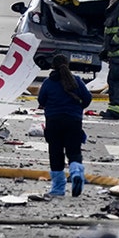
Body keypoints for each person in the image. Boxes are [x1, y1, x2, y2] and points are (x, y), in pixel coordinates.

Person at [37, 54, 92, 197]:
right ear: (68, 65)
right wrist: (77, 107)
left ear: (52, 66)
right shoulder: (77, 81)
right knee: (74, 151)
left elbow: (41, 100)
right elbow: (87, 99)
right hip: (73, 121)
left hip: (53, 122)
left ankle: (58, 188)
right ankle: (76, 173)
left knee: (55, 154)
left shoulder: (48, 82)